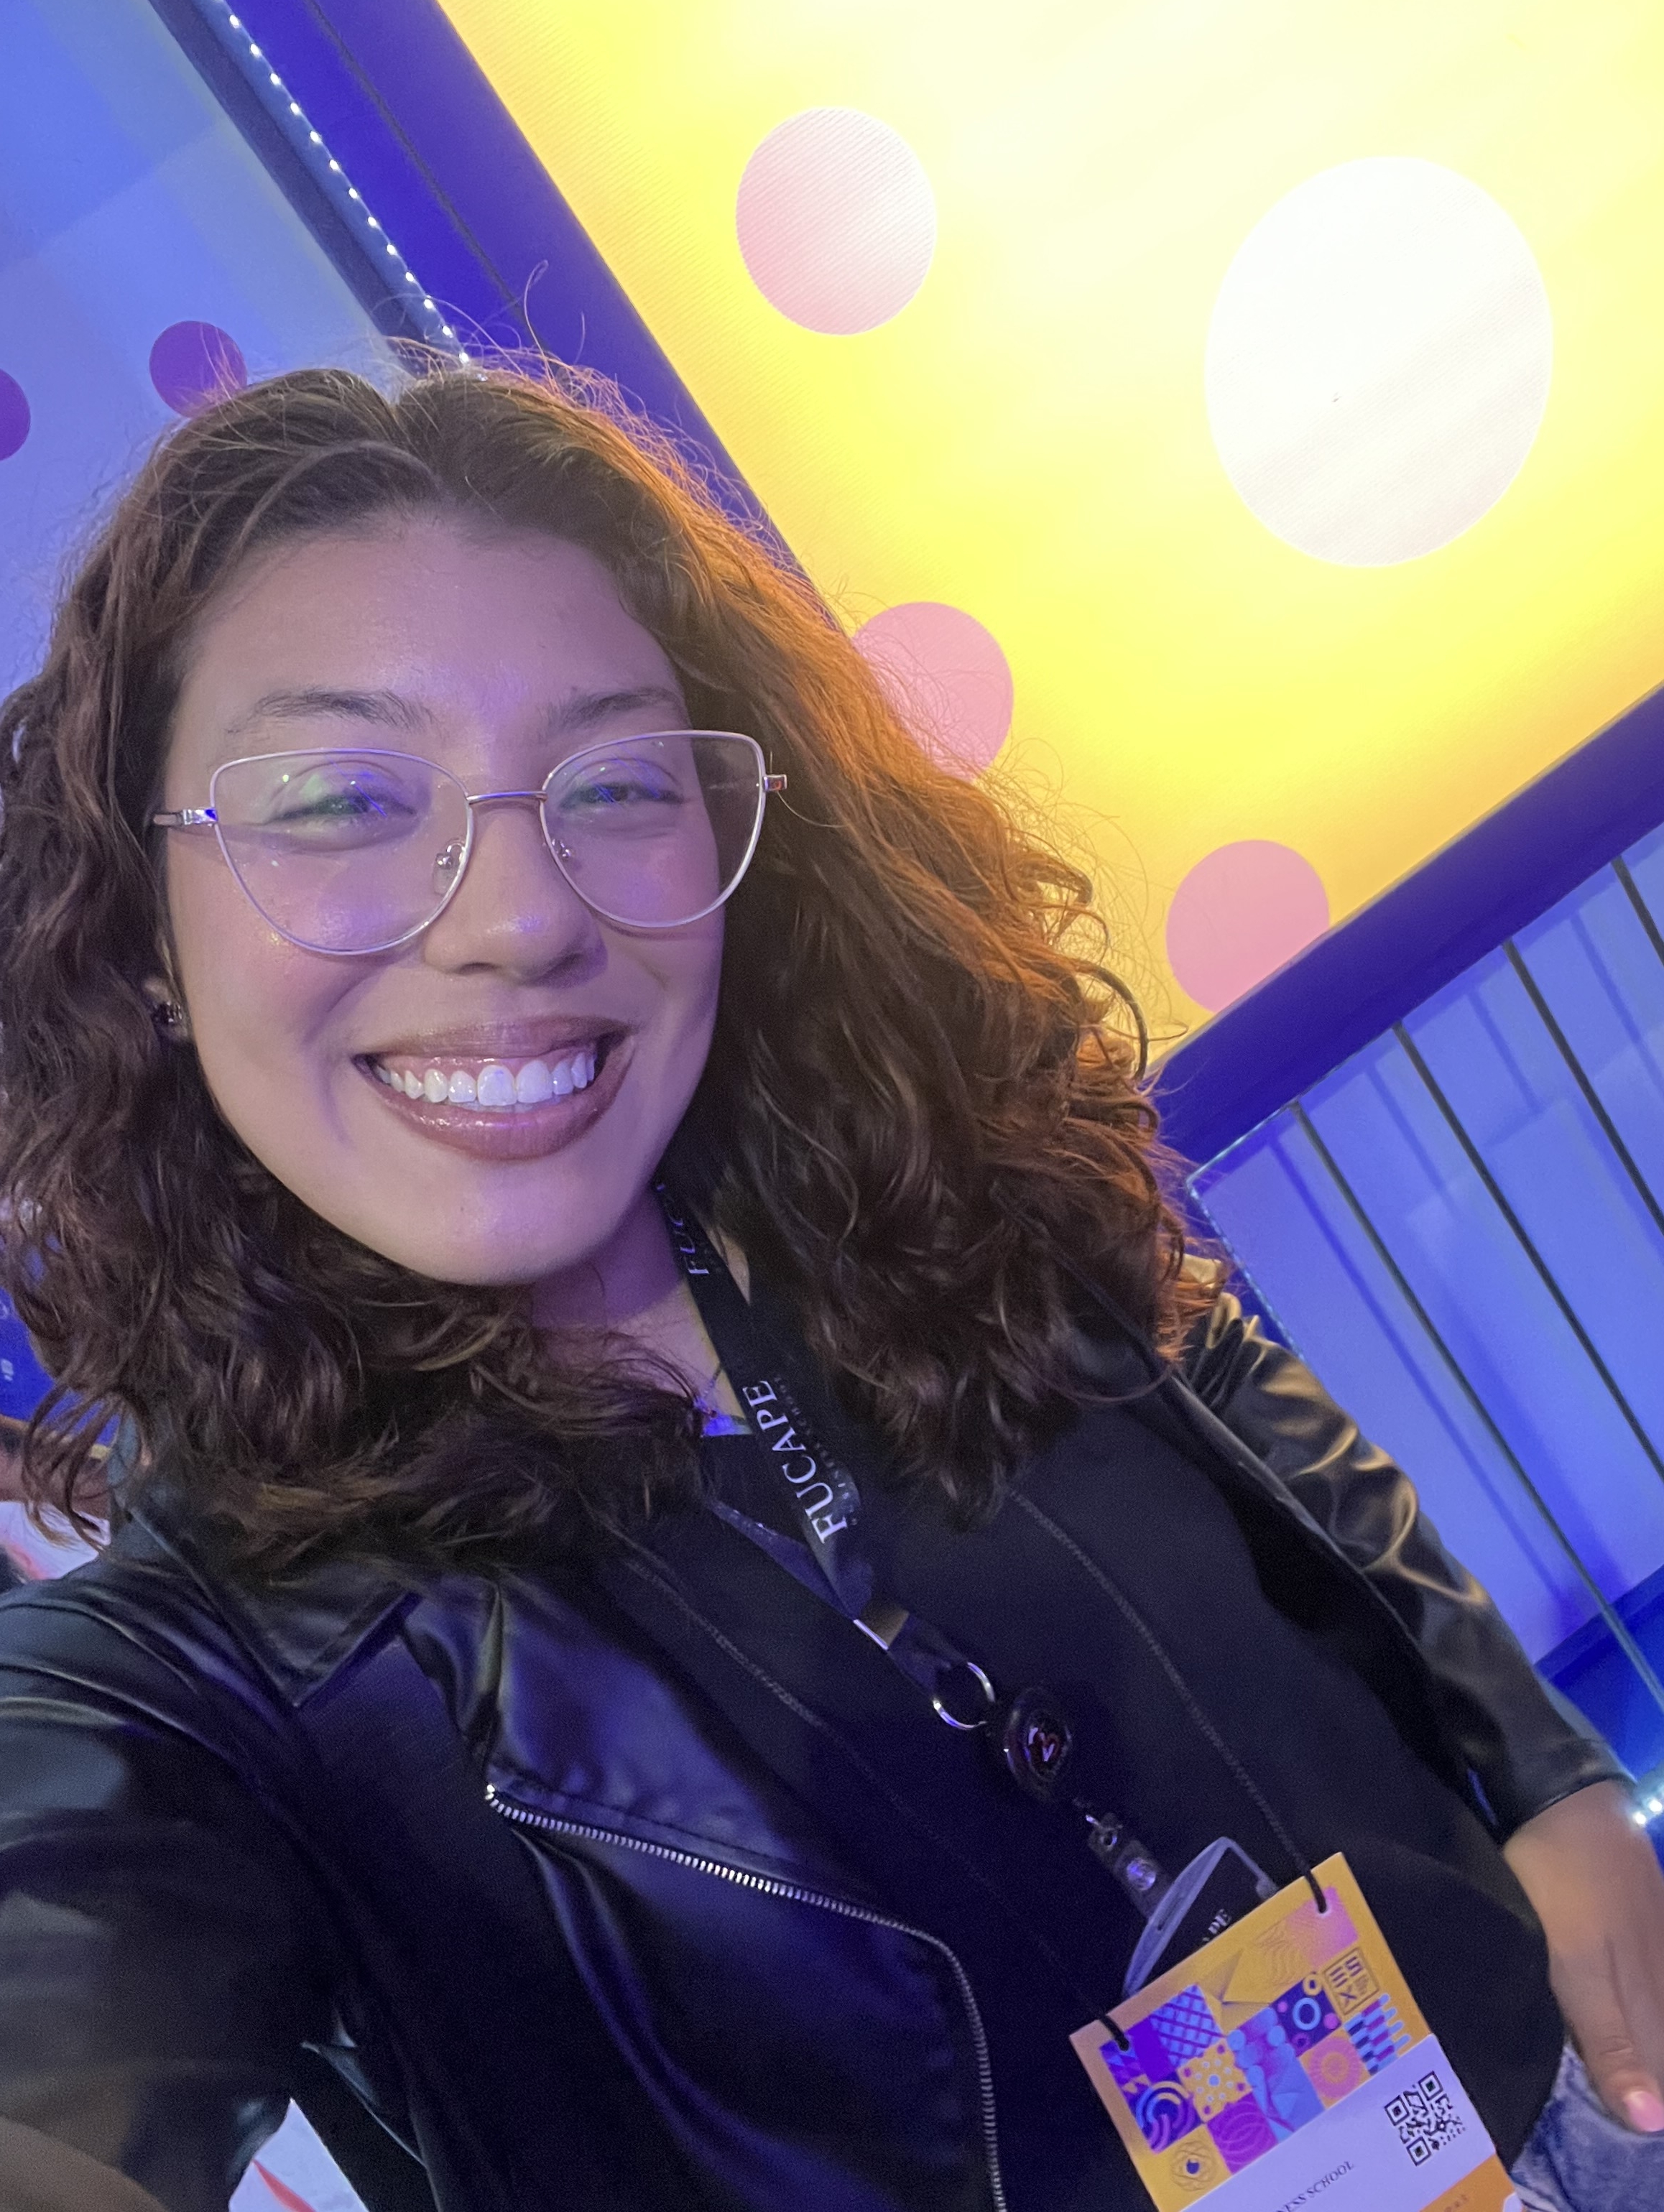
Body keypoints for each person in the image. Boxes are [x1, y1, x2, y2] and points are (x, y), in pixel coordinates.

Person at [0, 364, 1658, 2212]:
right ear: (142, 931)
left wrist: (1546, 1773)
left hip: (1562, 2075)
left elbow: (1216, 1382)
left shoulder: (868, 1152)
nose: (521, 914)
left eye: (615, 779)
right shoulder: (207, 1677)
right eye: (337, 796)